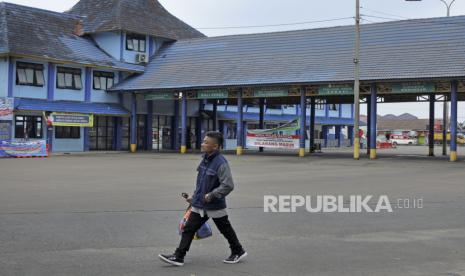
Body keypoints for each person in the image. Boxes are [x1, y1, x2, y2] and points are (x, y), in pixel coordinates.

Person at [159, 131, 247, 267]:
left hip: (214, 205)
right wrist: (194, 197)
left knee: (225, 229)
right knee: (188, 228)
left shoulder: (221, 163)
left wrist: (211, 195)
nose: (202, 144)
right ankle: (178, 256)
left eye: (206, 142)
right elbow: (201, 182)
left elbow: (228, 185)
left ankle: (238, 250)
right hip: (200, 204)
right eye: (203, 141)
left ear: (215, 146)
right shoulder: (205, 159)